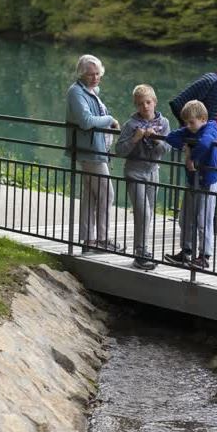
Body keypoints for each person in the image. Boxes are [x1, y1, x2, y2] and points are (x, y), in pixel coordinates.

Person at [169, 52, 217, 233]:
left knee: (213, 180)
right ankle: (197, 223)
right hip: (207, 141)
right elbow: (177, 103)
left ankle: (212, 221)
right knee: (201, 181)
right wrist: (190, 129)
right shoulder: (211, 81)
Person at [65, 54, 124, 252]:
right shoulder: (76, 92)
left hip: (95, 149)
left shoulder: (90, 91)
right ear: (82, 74)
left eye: (98, 73)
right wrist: (109, 119)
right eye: (90, 74)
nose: (95, 77)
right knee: (107, 194)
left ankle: (89, 240)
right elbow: (87, 121)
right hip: (89, 151)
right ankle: (102, 239)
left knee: (91, 195)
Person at [115, 84, 171, 270]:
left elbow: (167, 149)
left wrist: (156, 139)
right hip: (134, 172)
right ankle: (139, 253)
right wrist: (135, 139)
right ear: (136, 106)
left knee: (149, 213)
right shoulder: (130, 125)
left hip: (153, 171)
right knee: (143, 212)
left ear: (154, 102)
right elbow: (120, 151)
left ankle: (143, 250)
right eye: (140, 104)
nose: (145, 106)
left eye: (148, 102)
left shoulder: (164, 123)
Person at [164, 100, 217, 270]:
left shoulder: (211, 127)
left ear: (203, 118)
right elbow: (170, 137)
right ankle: (186, 251)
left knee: (204, 220)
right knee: (186, 217)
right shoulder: (190, 130)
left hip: (207, 182)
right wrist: (186, 146)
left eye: (191, 122)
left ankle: (204, 256)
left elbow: (205, 143)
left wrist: (191, 157)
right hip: (191, 181)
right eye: (186, 122)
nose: (188, 126)